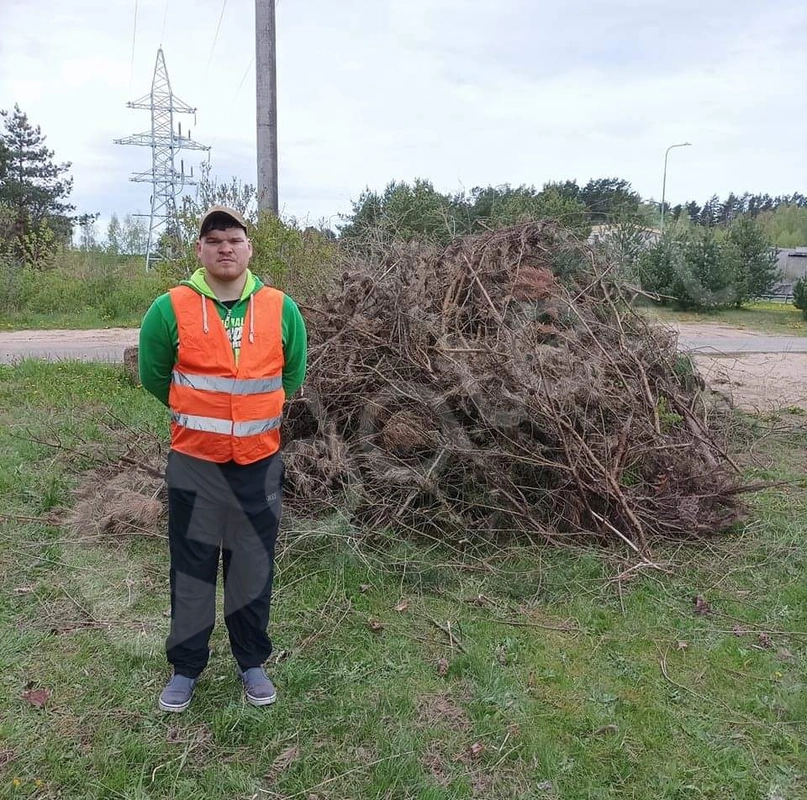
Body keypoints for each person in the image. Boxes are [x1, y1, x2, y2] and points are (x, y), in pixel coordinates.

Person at [138, 206, 307, 712]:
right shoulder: (170, 308)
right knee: (191, 567)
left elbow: (291, 375)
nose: (225, 247)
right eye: (214, 240)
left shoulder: (281, 307)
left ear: (249, 247)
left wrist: (253, 418)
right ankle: (186, 668)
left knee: (251, 566)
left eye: (234, 238)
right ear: (200, 250)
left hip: (258, 462)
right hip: (195, 462)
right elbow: (154, 375)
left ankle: (251, 661)